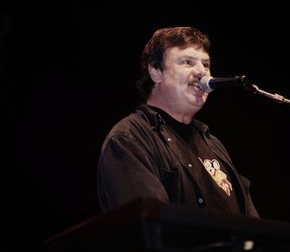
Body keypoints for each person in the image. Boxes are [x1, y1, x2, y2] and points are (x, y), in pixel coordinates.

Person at [97, 26, 259, 218]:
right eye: (187, 62)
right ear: (156, 71)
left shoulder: (214, 146)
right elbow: (151, 227)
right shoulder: (129, 139)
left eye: (206, 65)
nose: (202, 72)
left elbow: (254, 229)